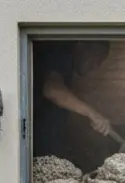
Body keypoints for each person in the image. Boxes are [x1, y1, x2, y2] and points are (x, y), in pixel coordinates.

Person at [33, 41, 114, 169]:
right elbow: (52, 90)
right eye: (96, 57)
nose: (96, 65)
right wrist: (93, 114)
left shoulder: (67, 66)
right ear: (81, 46)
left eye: (101, 61)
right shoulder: (61, 55)